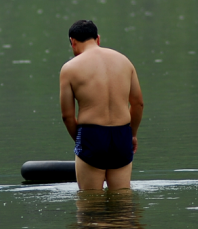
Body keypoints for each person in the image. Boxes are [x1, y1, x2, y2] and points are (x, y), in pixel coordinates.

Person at [59, 20, 144, 190]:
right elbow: (138, 103)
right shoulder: (124, 61)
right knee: (122, 203)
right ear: (98, 39)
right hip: (122, 134)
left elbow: (67, 116)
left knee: (89, 205)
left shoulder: (70, 68)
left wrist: (81, 142)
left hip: (91, 134)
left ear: (73, 42)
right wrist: (132, 135)